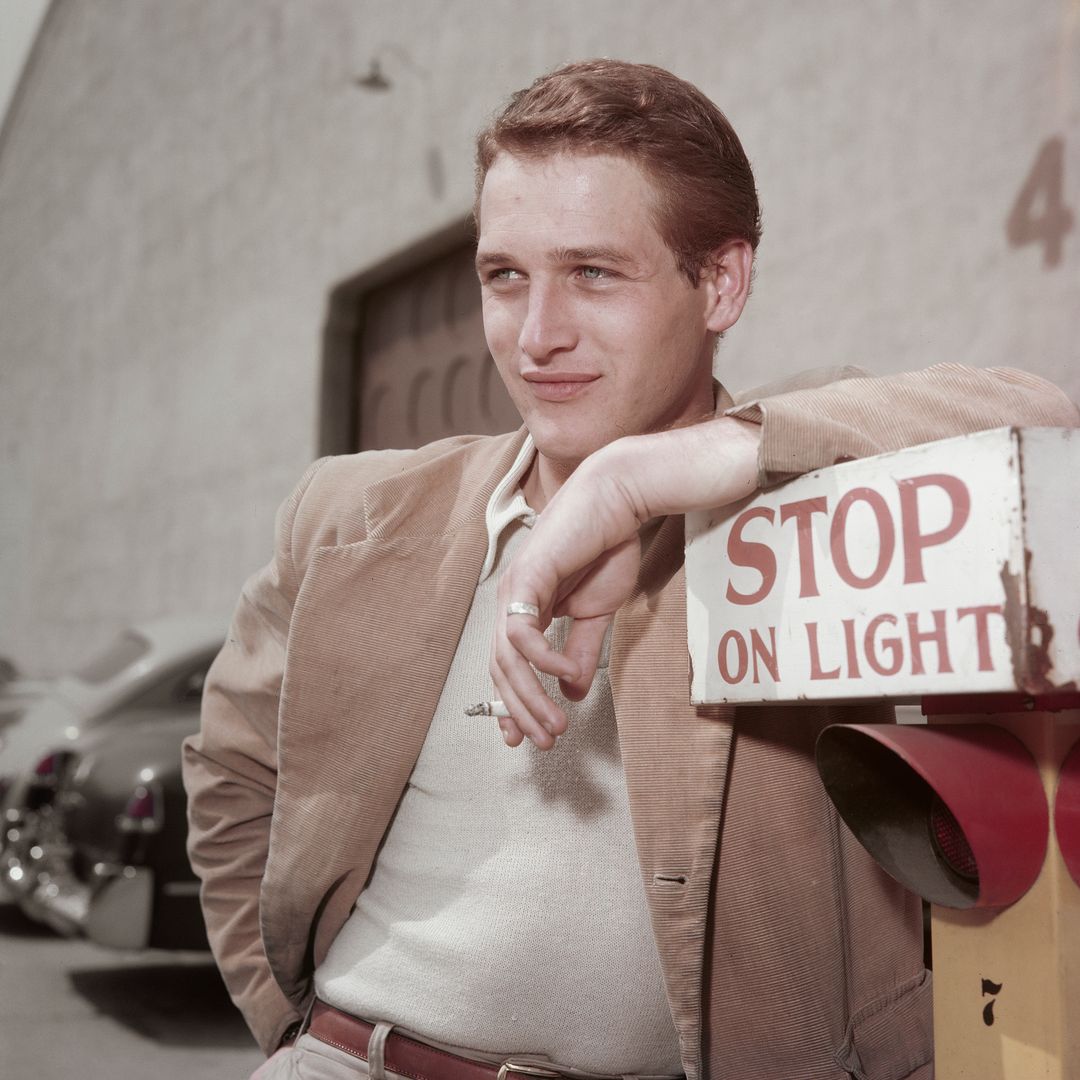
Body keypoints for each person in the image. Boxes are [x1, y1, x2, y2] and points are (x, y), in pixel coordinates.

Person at [183, 59, 1078, 1080]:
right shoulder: (352, 515)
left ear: (722, 282)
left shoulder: (812, 513)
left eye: (594, 274)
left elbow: (1042, 426)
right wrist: (292, 1028)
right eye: (505, 275)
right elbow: (231, 774)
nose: (536, 336)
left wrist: (641, 482)